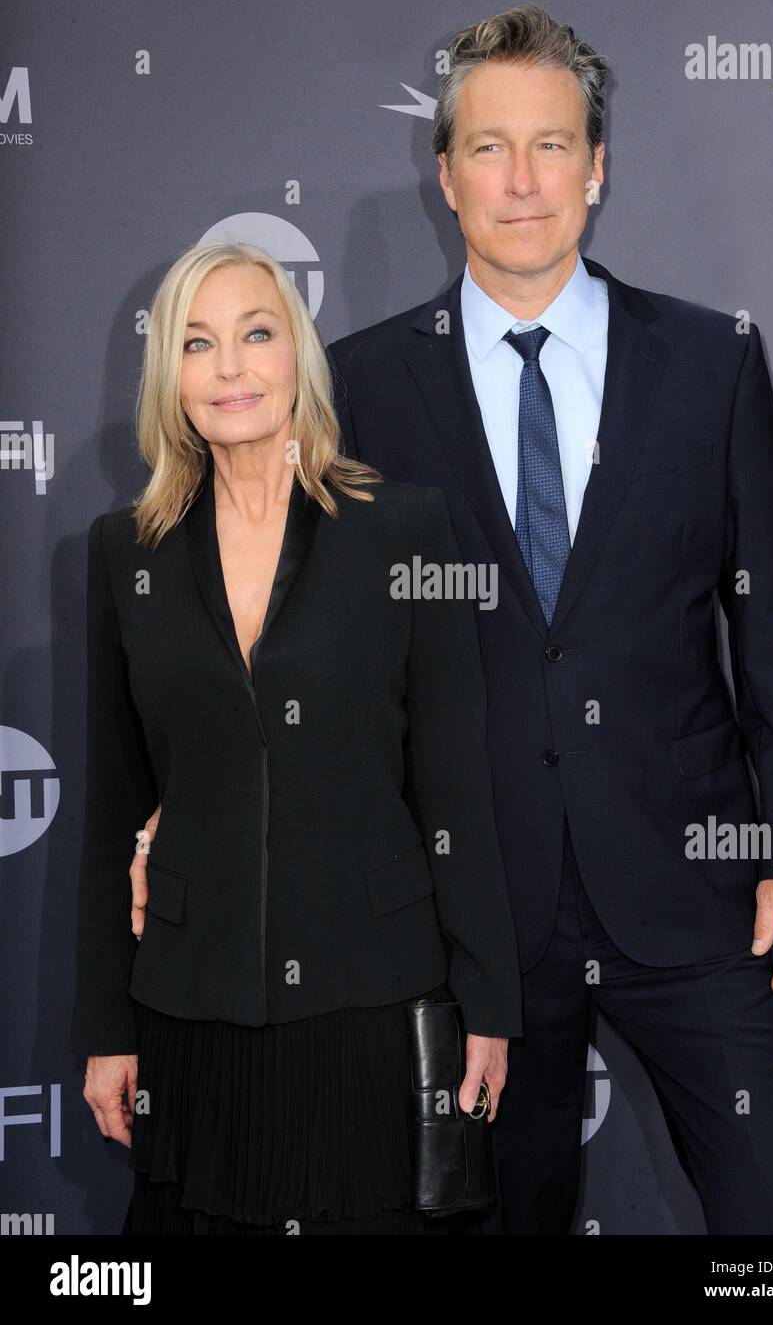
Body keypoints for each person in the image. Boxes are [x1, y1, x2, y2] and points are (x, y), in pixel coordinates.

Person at [323, 4, 773, 1234]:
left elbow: (772, 621)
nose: (521, 180)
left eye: (552, 146)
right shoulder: (357, 384)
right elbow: (334, 657)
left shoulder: (708, 361)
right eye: (490, 148)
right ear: (443, 171)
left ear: (597, 167)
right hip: (473, 911)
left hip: (692, 887)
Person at [69, 239, 523, 1236]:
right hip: (193, 1006)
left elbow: (454, 783)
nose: (229, 367)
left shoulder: (402, 528)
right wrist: (106, 1028)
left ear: (298, 357)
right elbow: (111, 808)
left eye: (255, 333)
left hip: (371, 998)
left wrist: (488, 1000)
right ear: (169, 375)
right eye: (198, 342)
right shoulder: (122, 552)